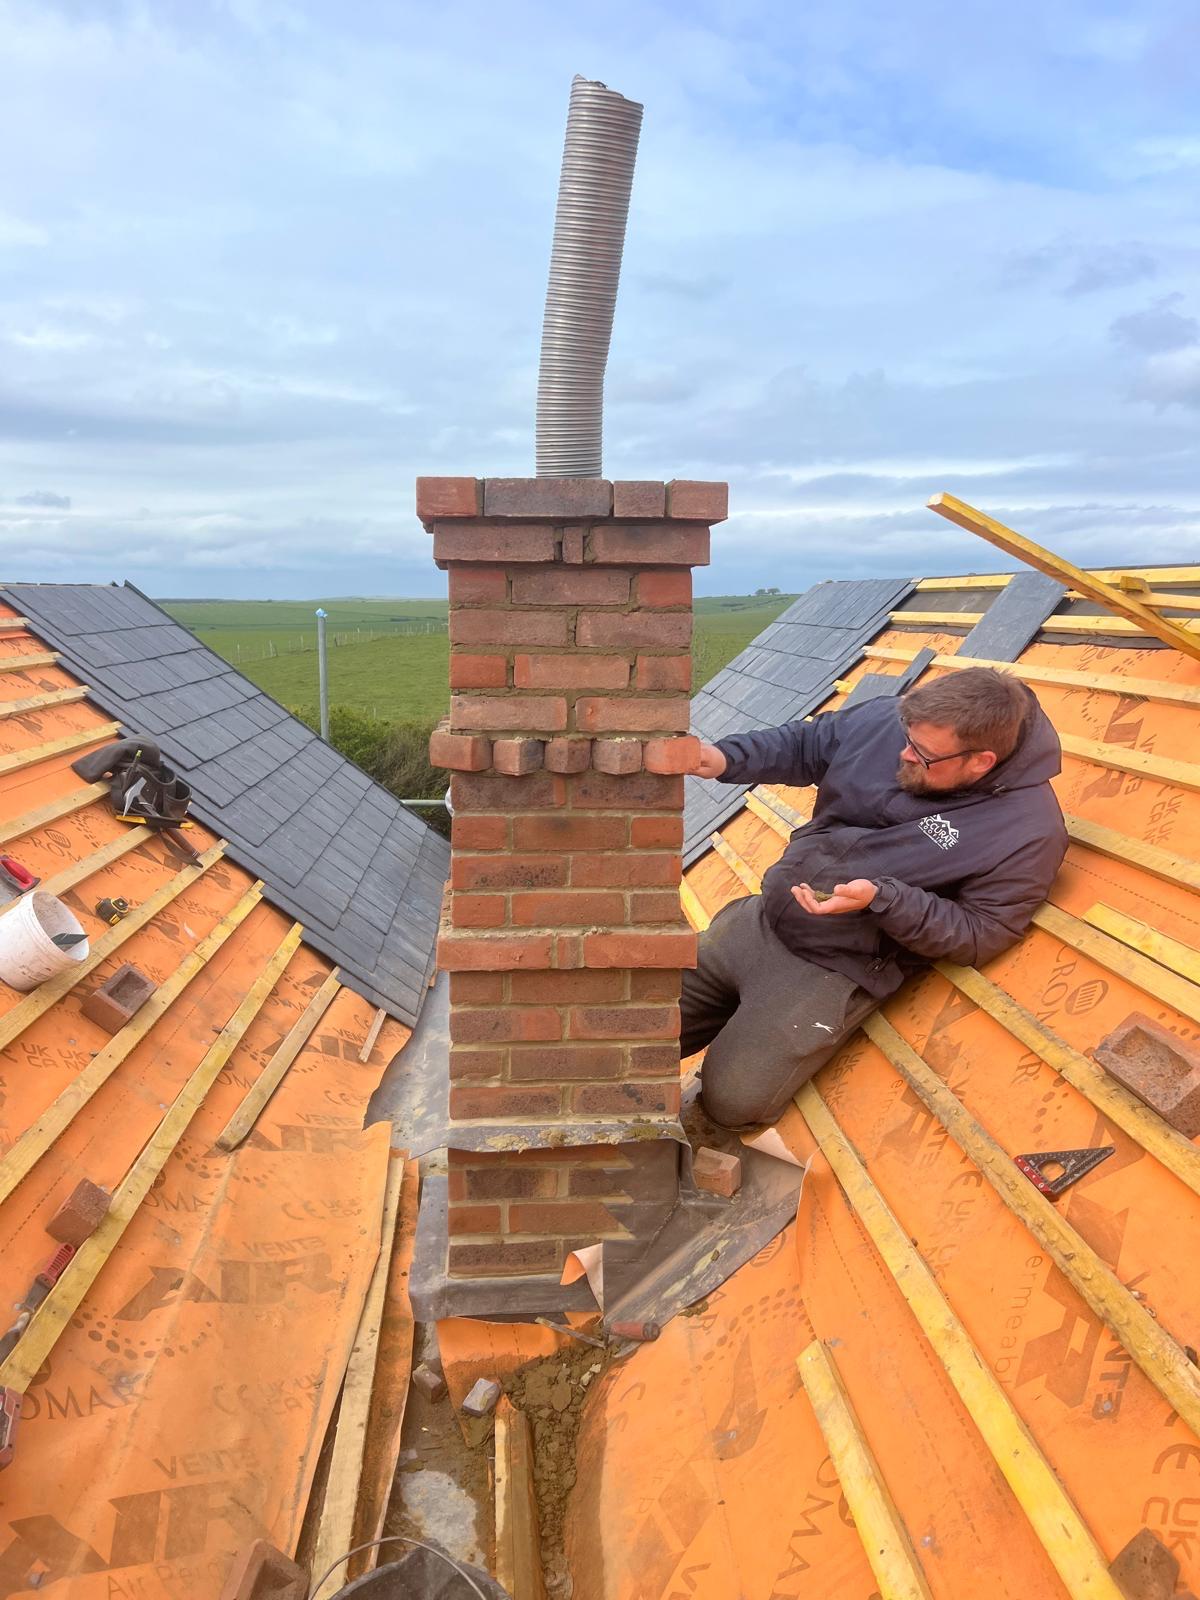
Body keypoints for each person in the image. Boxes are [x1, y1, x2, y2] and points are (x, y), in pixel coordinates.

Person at [682, 666, 1068, 1128]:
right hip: (763, 917)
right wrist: (721, 757)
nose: (903, 752)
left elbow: (982, 932)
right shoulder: (898, 724)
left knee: (733, 1103)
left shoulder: (1029, 832)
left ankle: (746, 1040)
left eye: (922, 755)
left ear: (980, 761)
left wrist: (884, 900)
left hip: (834, 967)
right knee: (632, 1028)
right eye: (907, 735)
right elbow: (808, 745)